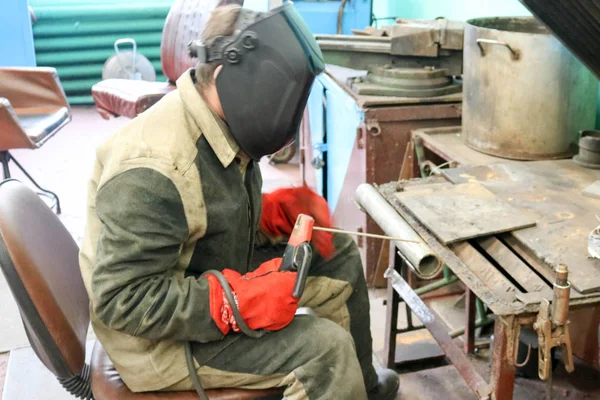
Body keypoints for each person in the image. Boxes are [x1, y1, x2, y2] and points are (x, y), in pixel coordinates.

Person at [79, 3, 399, 399]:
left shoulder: (220, 120)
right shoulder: (155, 169)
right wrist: (235, 302)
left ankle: (360, 387)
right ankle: (336, 378)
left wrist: (266, 214)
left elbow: (195, 211)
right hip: (157, 344)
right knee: (323, 349)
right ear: (228, 74)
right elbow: (122, 301)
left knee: (339, 254)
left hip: (199, 268)